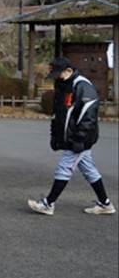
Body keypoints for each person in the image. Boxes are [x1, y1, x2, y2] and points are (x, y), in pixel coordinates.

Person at [28, 57, 115, 216]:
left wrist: (79, 139)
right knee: (89, 170)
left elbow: (88, 118)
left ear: (69, 70)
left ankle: (48, 203)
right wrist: (55, 135)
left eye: (58, 74)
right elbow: (58, 113)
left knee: (64, 168)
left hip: (79, 139)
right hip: (74, 138)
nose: (56, 77)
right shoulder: (63, 85)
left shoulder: (82, 86)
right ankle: (105, 204)